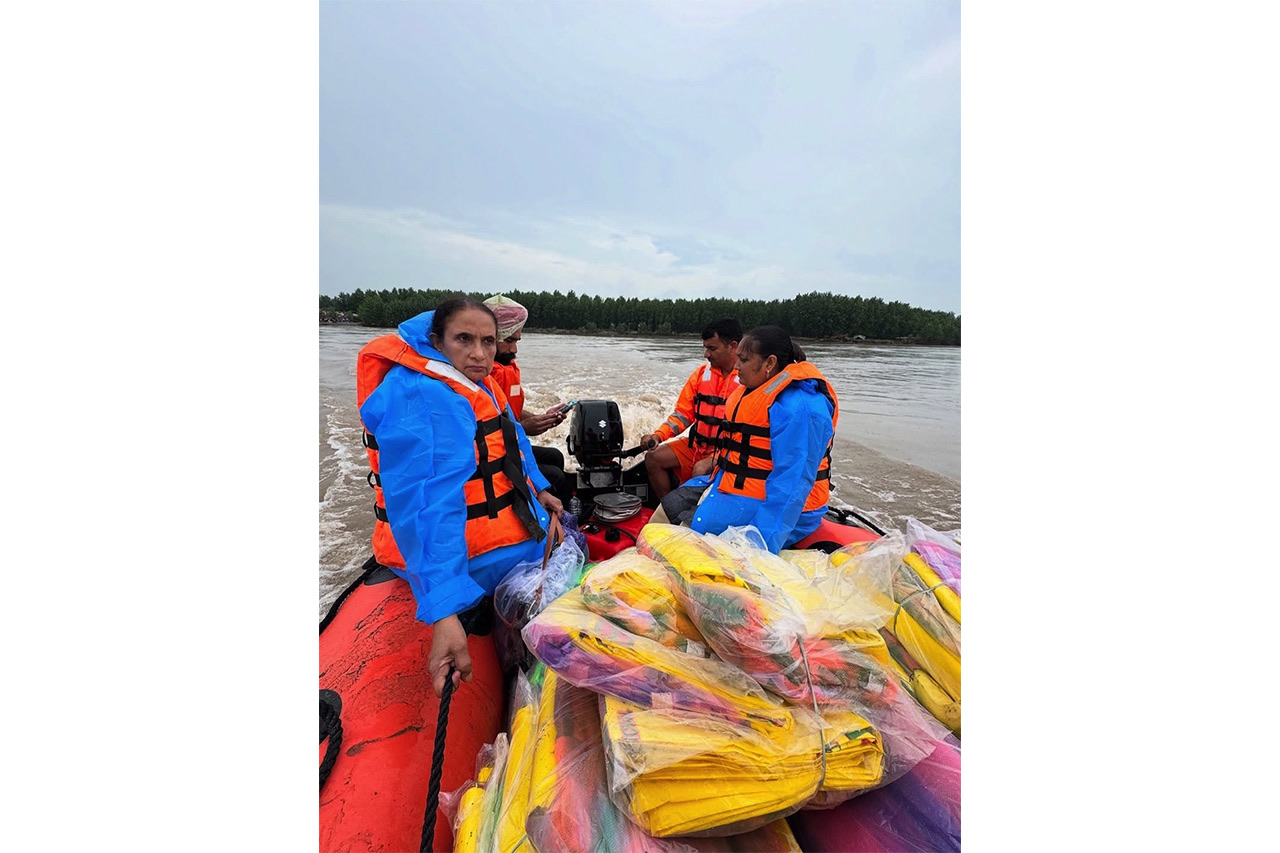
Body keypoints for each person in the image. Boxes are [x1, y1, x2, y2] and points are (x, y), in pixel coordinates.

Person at [356, 296, 564, 697]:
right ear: (437, 340)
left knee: (568, 537)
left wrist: (541, 489)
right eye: (464, 339)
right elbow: (428, 505)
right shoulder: (424, 396)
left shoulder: (475, 380)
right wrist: (445, 610)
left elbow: (513, 440)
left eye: (488, 341)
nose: (479, 352)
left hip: (501, 538)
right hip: (466, 558)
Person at [680, 325, 839, 553]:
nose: (736, 366)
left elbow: (792, 485)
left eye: (743, 360)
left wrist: (758, 546)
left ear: (770, 363)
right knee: (667, 509)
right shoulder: (758, 390)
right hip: (738, 489)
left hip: (783, 509)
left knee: (676, 534)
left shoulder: (801, 408)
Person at [639, 318, 743, 502]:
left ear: (733, 346)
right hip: (696, 446)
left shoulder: (747, 379)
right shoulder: (701, 375)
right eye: (705, 348)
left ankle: (692, 519)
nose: (706, 354)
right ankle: (669, 509)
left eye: (712, 348)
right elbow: (682, 414)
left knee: (700, 469)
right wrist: (658, 436)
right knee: (653, 457)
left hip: (728, 452)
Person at [483, 295, 573, 504]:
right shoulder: (480, 376)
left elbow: (508, 411)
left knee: (555, 456)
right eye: (509, 341)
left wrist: (541, 419)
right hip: (492, 455)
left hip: (510, 444)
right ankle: (553, 523)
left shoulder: (505, 368)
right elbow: (484, 431)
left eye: (516, 341)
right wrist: (524, 427)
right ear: (488, 337)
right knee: (555, 476)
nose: (514, 349)